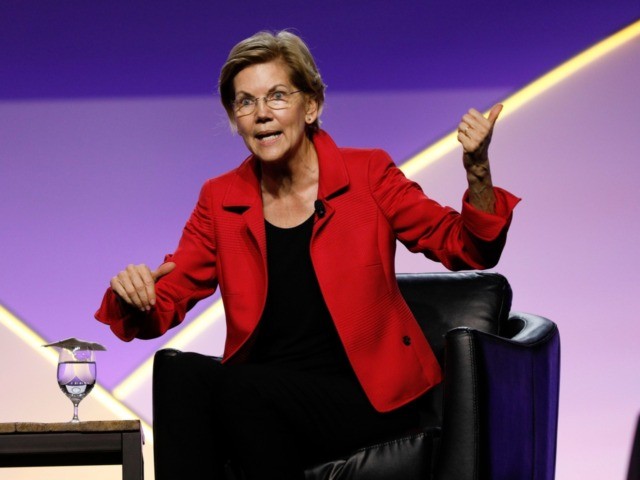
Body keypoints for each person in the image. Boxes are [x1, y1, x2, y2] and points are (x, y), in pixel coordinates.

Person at [96, 30, 519, 480]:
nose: (261, 115)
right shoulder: (221, 198)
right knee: (178, 372)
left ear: (311, 106)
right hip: (264, 395)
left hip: (367, 396)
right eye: (244, 102)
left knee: (241, 390)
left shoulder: (367, 174)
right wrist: (133, 296)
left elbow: (467, 247)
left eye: (277, 96)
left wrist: (478, 172)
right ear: (234, 119)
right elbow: (166, 301)